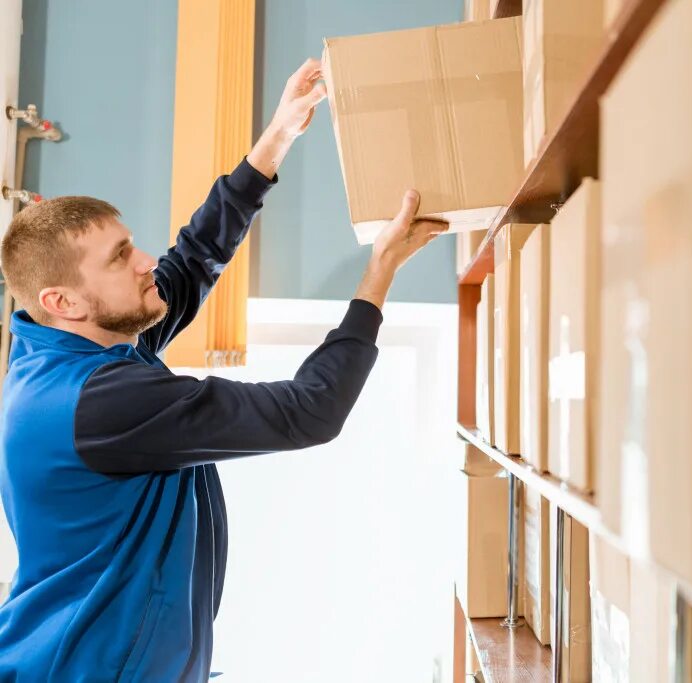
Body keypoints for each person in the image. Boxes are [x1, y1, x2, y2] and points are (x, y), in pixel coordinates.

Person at [0, 58, 447, 680]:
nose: (145, 260)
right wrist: (379, 275)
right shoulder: (101, 401)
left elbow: (191, 261)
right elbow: (309, 411)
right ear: (62, 300)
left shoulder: (71, 347)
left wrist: (278, 136)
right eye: (121, 256)